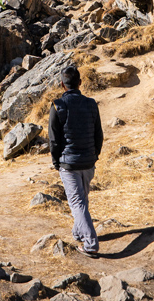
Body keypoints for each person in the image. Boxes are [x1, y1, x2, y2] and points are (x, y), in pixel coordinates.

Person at [49, 65, 104, 255]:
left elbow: (54, 140)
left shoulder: (58, 106)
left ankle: (90, 245)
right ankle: (78, 232)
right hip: (88, 162)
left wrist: (57, 162)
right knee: (82, 201)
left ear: (62, 85)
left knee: (77, 203)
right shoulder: (91, 104)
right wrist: (94, 155)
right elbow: (99, 135)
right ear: (80, 83)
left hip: (69, 164)